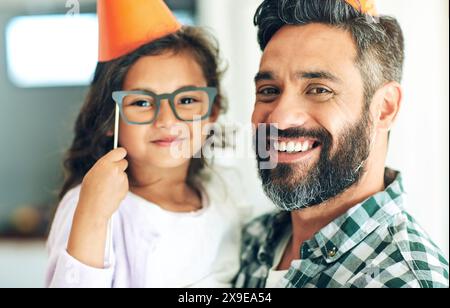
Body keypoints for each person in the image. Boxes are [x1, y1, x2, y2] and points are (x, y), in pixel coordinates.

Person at [235, 0, 449, 288]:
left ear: (385, 108)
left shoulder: (404, 280)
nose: (279, 118)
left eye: (319, 90)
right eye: (269, 91)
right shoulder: (252, 238)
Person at [46, 0, 245, 288]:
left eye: (187, 100)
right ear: (108, 119)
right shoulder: (90, 204)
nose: (166, 119)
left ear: (212, 112)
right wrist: (92, 217)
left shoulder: (222, 195)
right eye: (141, 102)